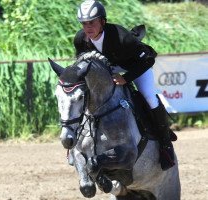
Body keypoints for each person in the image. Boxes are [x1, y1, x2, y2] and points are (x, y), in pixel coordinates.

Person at [74, 0, 175, 171]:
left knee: (149, 97)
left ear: (102, 22)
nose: (88, 27)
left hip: (136, 65)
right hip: (109, 68)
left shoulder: (121, 36)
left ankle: (165, 144)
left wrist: (126, 78)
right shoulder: (80, 39)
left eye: (92, 22)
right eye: (84, 23)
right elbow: (82, 66)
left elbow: (148, 59)